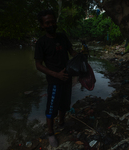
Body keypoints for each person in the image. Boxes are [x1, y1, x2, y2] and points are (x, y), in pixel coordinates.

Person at [34, 9, 77, 147]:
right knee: (51, 108)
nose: (51, 24)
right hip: (54, 81)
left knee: (64, 104)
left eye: (52, 21)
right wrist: (55, 74)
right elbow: (38, 65)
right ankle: (51, 133)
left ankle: (62, 122)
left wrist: (81, 58)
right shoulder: (41, 42)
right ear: (42, 25)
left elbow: (72, 52)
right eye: (47, 23)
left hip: (67, 78)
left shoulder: (62, 37)